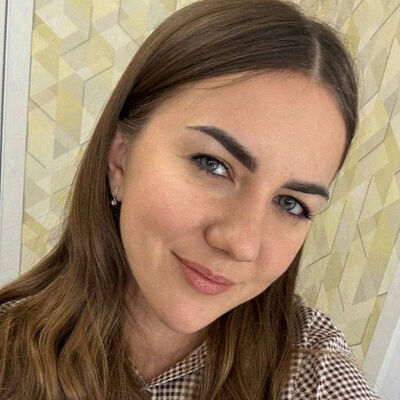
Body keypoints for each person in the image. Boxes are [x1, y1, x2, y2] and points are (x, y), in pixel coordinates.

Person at [0, 0, 384, 399]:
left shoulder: (310, 370)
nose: (241, 243)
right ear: (120, 157)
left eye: (291, 204)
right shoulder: (9, 353)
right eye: (212, 165)